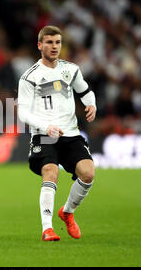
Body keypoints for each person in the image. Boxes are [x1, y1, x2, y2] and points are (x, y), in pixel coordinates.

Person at [18, 26, 97, 241]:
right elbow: (23, 111)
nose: (54, 47)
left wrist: (91, 105)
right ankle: (47, 229)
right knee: (51, 171)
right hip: (44, 136)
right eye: (49, 42)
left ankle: (67, 212)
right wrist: (46, 127)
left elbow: (85, 91)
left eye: (57, 43)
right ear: (40, 45)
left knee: (88, 173)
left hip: (70, 134)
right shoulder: (29, 77)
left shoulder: (71, 69)